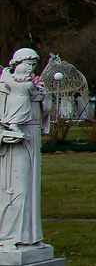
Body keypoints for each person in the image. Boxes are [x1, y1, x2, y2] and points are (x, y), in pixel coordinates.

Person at [0, 48, 47, 245]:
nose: (31, 69)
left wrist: (44, 101)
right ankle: (10, 237)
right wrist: (4, 135)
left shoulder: (32, 86)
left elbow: (42, 116)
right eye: (28, 64)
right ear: (17, 63)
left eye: (34, 65)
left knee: (31, 190)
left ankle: (29, 238)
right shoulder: (4, 86)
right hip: (14, 143)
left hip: (31, 138)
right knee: (18, 189)